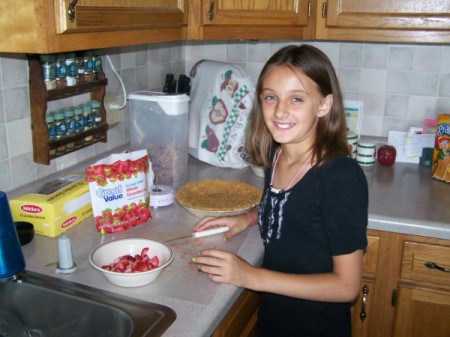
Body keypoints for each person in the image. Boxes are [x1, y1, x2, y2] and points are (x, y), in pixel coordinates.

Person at [192, 44, 368, 337]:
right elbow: (293, 206)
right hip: (275, 319)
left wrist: (251, 276)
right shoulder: (279, 153)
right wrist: (248, 218)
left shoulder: (340, 178)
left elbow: (346, 287)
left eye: (296, 99)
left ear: (324, 105)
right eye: (270, 97)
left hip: (315, 327)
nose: (280, 111)